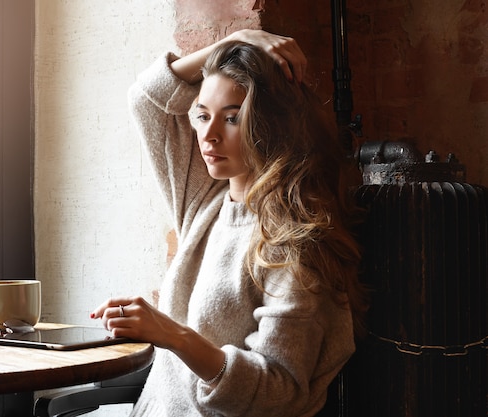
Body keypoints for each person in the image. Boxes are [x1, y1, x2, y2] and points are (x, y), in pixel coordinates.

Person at [90, 29, 368, 417]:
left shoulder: (294, 242)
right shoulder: (205, 201)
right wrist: (233, 42)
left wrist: (172, 334)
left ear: (271, 125)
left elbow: (282, 389)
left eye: (232, 119)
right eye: (202, 116)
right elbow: (147, 100)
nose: (209, 135)